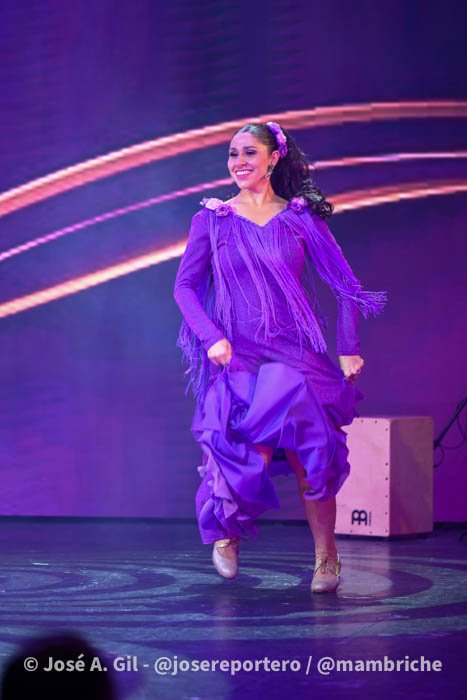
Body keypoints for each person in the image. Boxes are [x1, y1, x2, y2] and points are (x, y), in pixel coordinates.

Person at [173, 121, 387, 593]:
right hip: (241, 355)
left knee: (312, 458)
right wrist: (211, 337)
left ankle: (327, 556)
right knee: (243, 445)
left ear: (274, 158)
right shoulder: (212, 219)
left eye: (249, 152)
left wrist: (348, 348)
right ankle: (228, 532)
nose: (238, 162)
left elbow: (346, 286)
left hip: (297, 355)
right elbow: (184, 286)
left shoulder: (299, 218)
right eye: (232, 154)